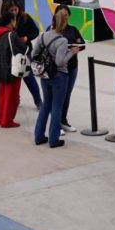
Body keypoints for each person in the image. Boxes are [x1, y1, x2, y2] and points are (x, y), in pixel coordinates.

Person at [33, 9, 80, 147]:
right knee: (57, 106)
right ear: (64, 24)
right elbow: (60, 61)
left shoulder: (43, 36)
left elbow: (35, 54)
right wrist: (72, 52)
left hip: (45, 74)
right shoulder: (62, 41)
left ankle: (39, 136)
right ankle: (54, 139)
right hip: (59, 76)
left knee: (46, 105)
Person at [3, 0, 42, 109]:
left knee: (28, 77)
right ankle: (16, 99)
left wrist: (27, 37)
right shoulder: (5, 20)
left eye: (16, 9)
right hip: (10, 52)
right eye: (11, 10)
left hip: (24, 52)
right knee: (13, 78)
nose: (14, 12)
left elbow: (35, 31)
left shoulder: (25, 18)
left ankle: (38, 101)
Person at [0, 12, 28, 128]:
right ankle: (7, 120)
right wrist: (23, 41)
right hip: (11, 69)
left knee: (2, 95)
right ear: (11, 21)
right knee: (11, 96)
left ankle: (0, 118)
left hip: (0, 68)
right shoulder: (11, 35)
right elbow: (23, 49)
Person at [55, 4, 86, 132]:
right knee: (58, 97)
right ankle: (55, 124)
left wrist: (77, 48)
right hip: (59, 70)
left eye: (66, 14)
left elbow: (82, 44)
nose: (64, 17)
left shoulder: (72, 30)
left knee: (67, 95)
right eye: (62, 14)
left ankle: (63, 121)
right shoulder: (52, 31)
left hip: (72, 67)